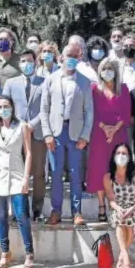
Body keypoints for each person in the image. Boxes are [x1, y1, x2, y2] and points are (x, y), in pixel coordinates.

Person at [41, 44, 94, 226]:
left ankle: (76, 212)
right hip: (56, 132)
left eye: (75, 55)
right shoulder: (50, 79)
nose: (71, 58)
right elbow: (44, 109)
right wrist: (47, 134)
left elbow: (89, 111)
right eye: (68, 55)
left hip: (76, 133)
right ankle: (56, 211)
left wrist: (85, 136)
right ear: (61, 57)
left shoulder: (85, 82)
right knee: (55, 174)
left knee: (75, 173)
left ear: (79, 58)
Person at [0, 96, 35, 268]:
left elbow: (28, 153)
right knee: (2, 216)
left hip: (17, 174)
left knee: (21, 215)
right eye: (0, 107)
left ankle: (29, 253)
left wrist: (26, 177)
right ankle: (5, 253)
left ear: (12, 107)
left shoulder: (22, 126)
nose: (3, 109)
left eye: (6, 106)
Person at [2, 50, 48, 220]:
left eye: (29, 60)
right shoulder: (10, 83)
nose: (25, 64)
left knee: (38, 174)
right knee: (17, 173)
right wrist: (20, 126)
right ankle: (19, 209)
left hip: (38, 134)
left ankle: (37, 209)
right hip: (17, 134)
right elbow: (5, 107)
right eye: (22, 61)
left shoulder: (45, 83)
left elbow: (46, 108)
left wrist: (31, 125)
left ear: (35, 62)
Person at [88, 58, 130, 222]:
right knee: (100, 168)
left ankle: (118, 204)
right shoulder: (94, 90)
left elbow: (126, 112)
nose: (107, 71)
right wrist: (105, 128)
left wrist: (114, 129)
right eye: (104, 68)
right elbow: (92, 112)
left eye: (110, 68)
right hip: (99, 134)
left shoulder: (124, 89)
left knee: (118, 168)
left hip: (119, 135)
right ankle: (101, 206)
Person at [103, 143, 135, 268]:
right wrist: (119, 208)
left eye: (124, 153)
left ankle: (123, 257)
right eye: (118, 153)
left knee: (129, 217)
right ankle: (126, 257)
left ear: (129, 156)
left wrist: (131, 209)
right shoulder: (107, 177)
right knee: (121, 217)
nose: (121, 156)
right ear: (113, 156)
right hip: (118, 209)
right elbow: (111, 200)